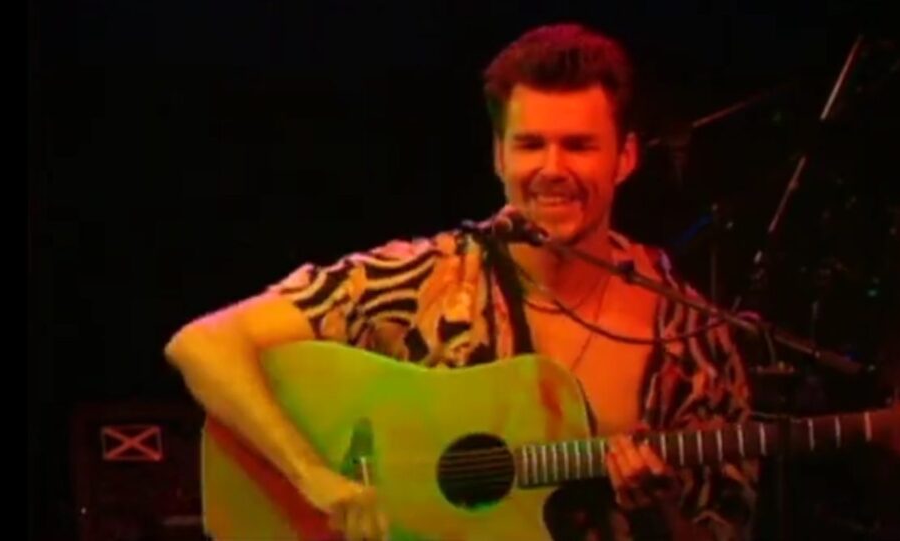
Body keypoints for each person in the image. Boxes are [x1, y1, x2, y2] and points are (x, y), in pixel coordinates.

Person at [164, 22, 758, 541]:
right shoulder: (427, 278)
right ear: (498, 156)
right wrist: (315, 479)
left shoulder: (692, 337)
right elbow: (201, 345)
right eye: (530, 145)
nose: (553, 169)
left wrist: (662, 517)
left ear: (626, 157)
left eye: (579, 145)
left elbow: (723, 526)